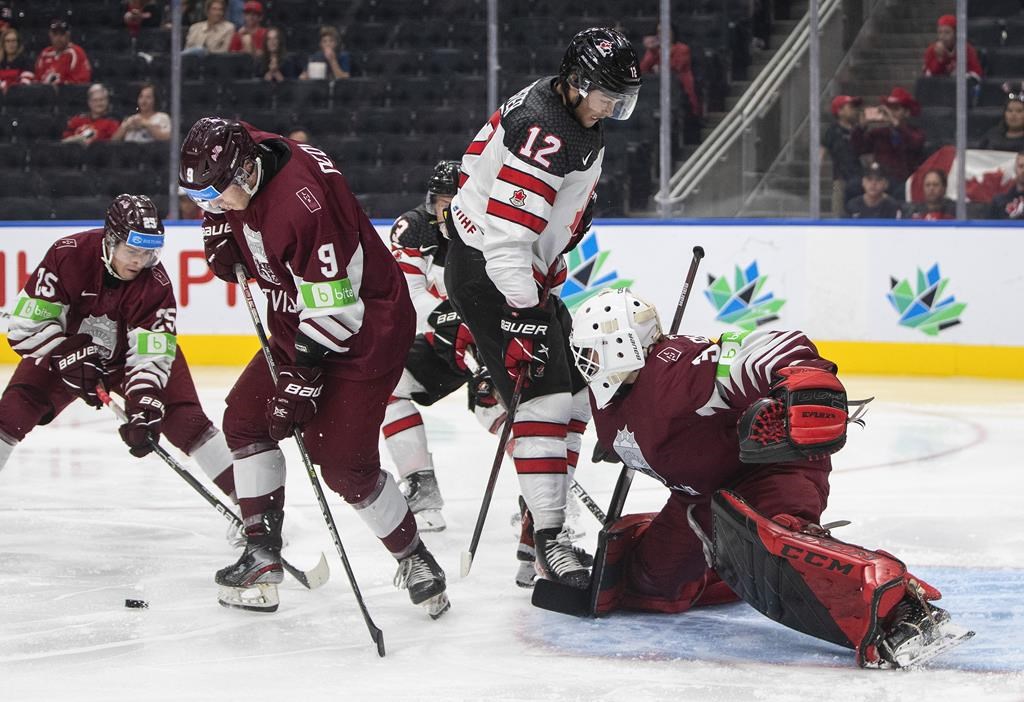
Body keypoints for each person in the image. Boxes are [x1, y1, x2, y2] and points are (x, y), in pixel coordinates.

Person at [567, 286, 973, 669]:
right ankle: (738, 568)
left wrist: (803, 383)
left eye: (591, 351)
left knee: (778, 544)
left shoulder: (676, 372)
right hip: (700, 497)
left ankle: (902, 606)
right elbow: (559, 424)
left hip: (768, 470)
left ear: (621, 344)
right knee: (651, 587)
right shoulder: (605, 396)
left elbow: (765, 350)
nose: (585, 361)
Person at [178, 117, 449, 617]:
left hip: (366, 330)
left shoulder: (300, 207)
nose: (211, 205)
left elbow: (338, 312)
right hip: (298, 315)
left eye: (218, 196)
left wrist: (300, 380)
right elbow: (222, 162)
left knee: (345, 466)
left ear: (246, 173)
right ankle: (261, 552)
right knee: (245, 419)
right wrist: (217, 220)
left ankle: (416, 558)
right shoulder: (241, 148)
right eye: (201, 199)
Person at [443, 27, 642, 590]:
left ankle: (537, 533)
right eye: (608, 93)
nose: (615, 106)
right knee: (548, 399)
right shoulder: (547, 132)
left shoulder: (559, 109)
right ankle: (550, 542)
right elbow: (507, 239)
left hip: (505, 275)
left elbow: (475, 169)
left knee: (576, 394)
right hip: (497, 277)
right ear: (576, 84)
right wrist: (522, 315)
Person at [0, 194, 238, 524]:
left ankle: (253, 511)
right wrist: (62, 355)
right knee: (13, 411)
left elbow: (150, 353)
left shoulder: (156, 285)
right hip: (68, 352)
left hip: (127, 360)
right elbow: (26, 325)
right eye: (133, 250)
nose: (140, 261)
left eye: (149, 252)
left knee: (187, 423)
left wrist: (144, 404)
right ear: (110, 240)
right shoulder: (68, 254)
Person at [382, 160, 506, 533]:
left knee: (497, 409)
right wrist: (451, 322)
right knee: (388, 387)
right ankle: (422, 490)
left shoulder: (498, 231)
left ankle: (541, 503)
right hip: (443, 342)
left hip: (495, 339)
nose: (450, 212)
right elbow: (409, 296)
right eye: (443, 202)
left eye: (460, 203)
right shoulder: (414, 228)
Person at [852, 88, 925, 198]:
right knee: (853, 187)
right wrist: (861, 127)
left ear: (907, 112)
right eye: (889, 108)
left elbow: (915, 144)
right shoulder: (879, 133)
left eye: (896, 109)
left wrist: (896, 124)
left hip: (904, 180)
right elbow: (859, 148)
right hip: (879, 180)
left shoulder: (915, 132)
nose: (891, 112)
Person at [639, 23, 702, 119]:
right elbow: (643, 69)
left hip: (679, 85)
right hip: (658, 86)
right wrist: (652, 52)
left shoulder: (682, 49)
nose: (663, 34)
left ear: (672, 33)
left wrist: (659, 68)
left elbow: (677, 67)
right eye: (659, 32)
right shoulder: (654, 51)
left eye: (666, 31)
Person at [821, 94, 864, 216]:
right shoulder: (833, 131)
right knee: (838, 208)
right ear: (840, 111)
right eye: (850, 107)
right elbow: (822, 152)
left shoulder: (858, 130)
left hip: (859, 176)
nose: (854, 110)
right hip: (840, 178)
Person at [923, 14, 983, 80]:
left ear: (955, 33)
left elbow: (976, 73)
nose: (942, 37)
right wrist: (940, 60)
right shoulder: (931, 50)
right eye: (940, 32)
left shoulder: (966, 49)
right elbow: (928, 78)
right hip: (939, 88)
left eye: (947, 32)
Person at [34, 19, 91, 85]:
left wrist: (59, 84)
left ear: (68, 35)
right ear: (50, 35)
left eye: (62, 34)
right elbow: (37, 79)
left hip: (68, 94)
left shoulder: (77, 52)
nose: (58, 37)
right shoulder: (45, 53)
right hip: (45, 93)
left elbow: (81, 82)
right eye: (55, 34)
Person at [988, 151, 1024, 219]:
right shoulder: (999, 201)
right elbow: (988, 228)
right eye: (1021, 166)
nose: (1023, 170)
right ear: (1015, 169)